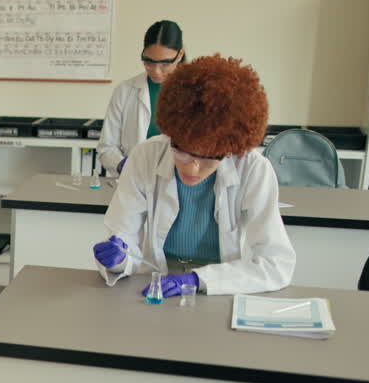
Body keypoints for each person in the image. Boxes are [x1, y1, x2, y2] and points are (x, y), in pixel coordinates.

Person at [91, 55, 296, 297]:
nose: (192, 169)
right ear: (172, 133)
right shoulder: (146, 156)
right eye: (182, 152)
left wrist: (197, 280)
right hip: (156, 285)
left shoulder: (253, 169)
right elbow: (124, 233)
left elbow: (276, 264)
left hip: (222, 285)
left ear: (229, 150)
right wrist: (118, 258)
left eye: (209, 159)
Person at [98, 20, 187, 177]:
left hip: (180, 181)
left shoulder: (196, 91)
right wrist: (123, 165)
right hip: (135, 182)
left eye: (165, 64)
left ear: (179, 55)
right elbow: (106, 147)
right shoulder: (125, 91)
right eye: (149, 62)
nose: (156, 71)